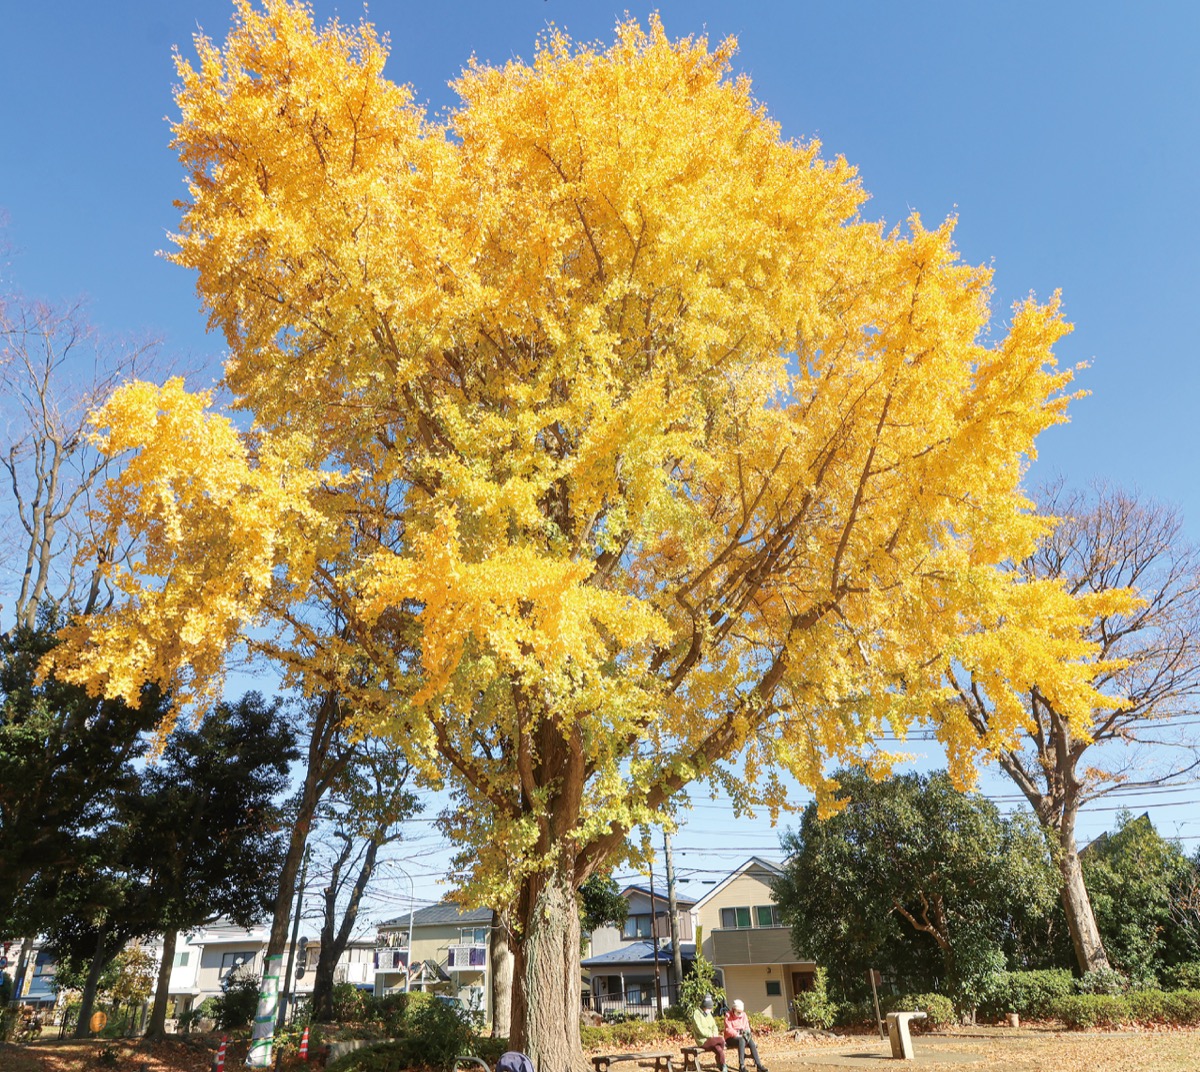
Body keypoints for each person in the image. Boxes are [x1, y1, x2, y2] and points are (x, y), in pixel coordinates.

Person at [723, 999, 768, 1072]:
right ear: (733, 1009)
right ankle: (742, 1066)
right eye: (738, 1012)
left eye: (741, 1012)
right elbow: (728, 1030)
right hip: (731, 1038)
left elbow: (747, 1027)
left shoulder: (744, 1015)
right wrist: (737, 1034)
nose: (740, 1013)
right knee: (741, 1040)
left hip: (742, 1036)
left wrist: (746, 1033)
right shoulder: (728, 1015)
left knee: (751, 1042)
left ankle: (758, 1065)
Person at [691, 994, 727, 1071]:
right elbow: (699, 1029)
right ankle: (720, 1063)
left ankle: (723, 1066)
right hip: (703, 1041)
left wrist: (715, 1033)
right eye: (709, 1008)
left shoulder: (708, 1014)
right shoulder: (697, 1013)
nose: (710, 1010)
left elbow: (714, 1025)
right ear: (704, 1007)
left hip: (712, 1039)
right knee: (721, 1040)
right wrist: (710, 1034)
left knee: (719, 1049)